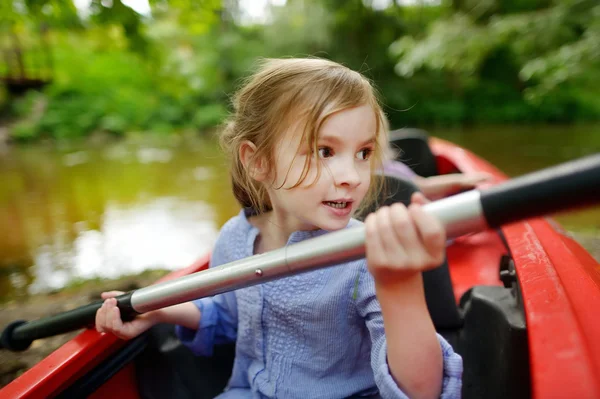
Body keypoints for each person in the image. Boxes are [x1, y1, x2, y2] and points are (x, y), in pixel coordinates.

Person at [95, 58, 463, 399]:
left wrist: (398, 285)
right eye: (324, 151)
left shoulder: (363, 256)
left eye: (363, 153)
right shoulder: (235, 239)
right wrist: (159, 311)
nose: (352, 177)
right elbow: (229, 317)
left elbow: (422, 390)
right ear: (258, 162)